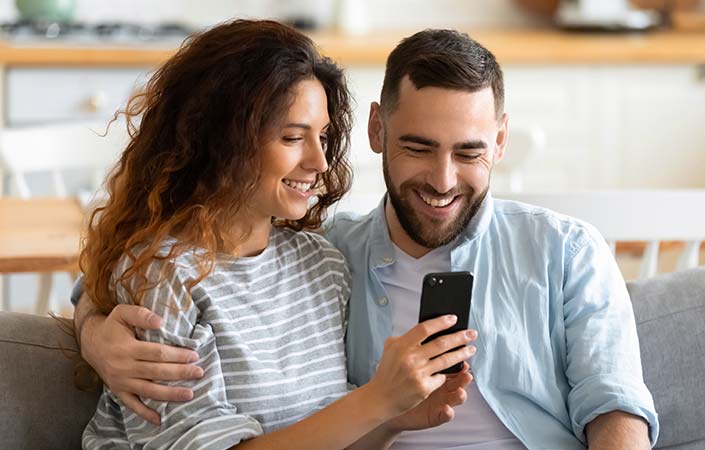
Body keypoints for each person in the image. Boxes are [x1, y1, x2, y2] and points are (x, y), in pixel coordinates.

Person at [74, 28, 659, 449]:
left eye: (470, 152)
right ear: (379, 129)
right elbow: (136, 276)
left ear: (500, 142)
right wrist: (94, 329)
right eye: (419, 147)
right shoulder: (335, 250)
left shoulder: (567, 251)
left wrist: (394, 413)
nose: (443, 180)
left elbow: (615, 404)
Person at [76, 20, 477, 450]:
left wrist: (393, 420)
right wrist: (376, 401)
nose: (320, 162)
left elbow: (324, 436)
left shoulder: (322, 264)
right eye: (292, 137)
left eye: (322, 136)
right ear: (222, 140)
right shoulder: (166, 278)